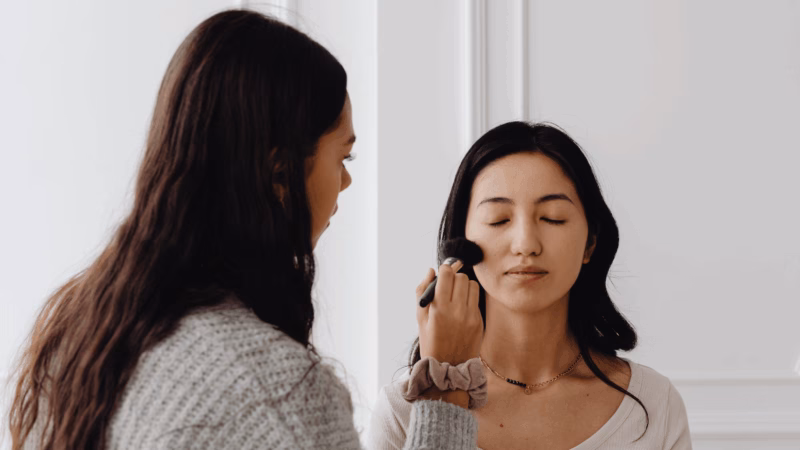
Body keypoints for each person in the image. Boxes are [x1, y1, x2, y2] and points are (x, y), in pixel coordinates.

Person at [8, 10, 480, 449]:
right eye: (344, 156)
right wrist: (447, 383)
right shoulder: (279, 396)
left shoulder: (80, 334)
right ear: (279, 175)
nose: (347, 180)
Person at [370, 122, 692, 449]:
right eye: (499, 219)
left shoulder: (653, 406)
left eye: (553, 217)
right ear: (460, 244)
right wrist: (445, 387)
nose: (526, 244)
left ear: (590, 243)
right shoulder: (403, 413)